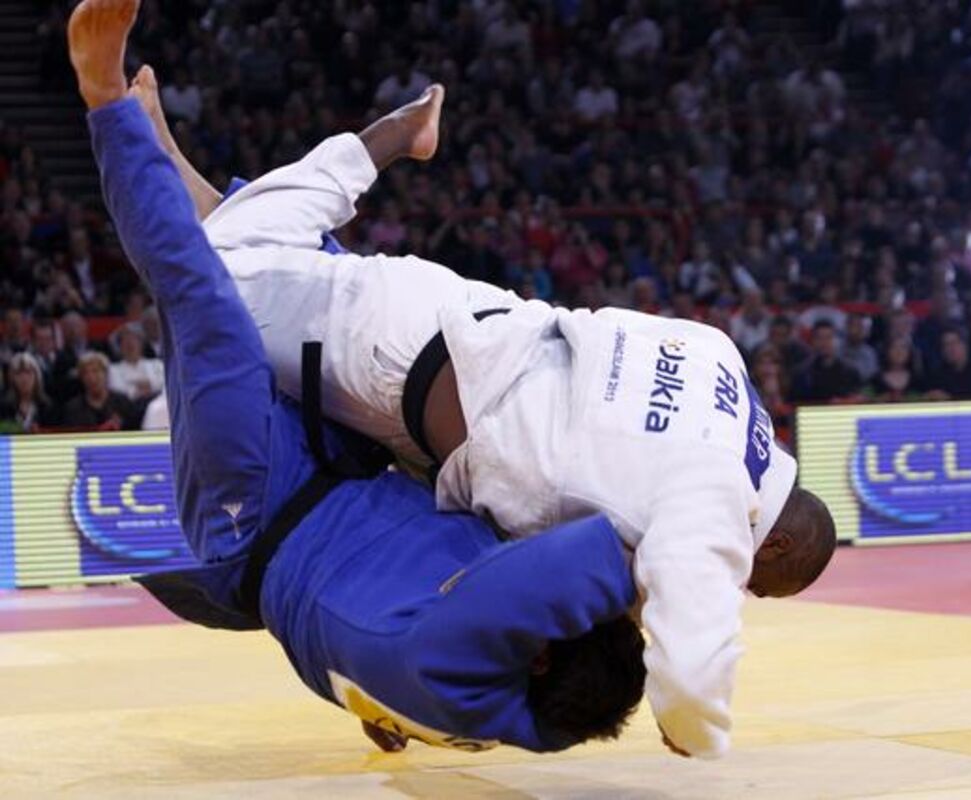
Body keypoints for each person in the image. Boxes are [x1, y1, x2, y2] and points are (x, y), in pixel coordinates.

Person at [132, 60, 837, 758]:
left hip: (454, 327)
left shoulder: (721, 360)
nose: (747, 589)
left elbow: (629, 569)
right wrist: (691, 728)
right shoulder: (717, 497)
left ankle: (171, 150)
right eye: (763, 586)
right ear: (775, 543)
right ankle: (380, 139)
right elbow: (696, 627)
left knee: (275, 254)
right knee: (213, 275)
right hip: (402, 368)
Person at [68, 0, 646, 756]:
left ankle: (104, 100)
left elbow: (604, 549)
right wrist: (387, 712)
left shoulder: (455, 653)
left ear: (538, 652)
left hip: (253, 503)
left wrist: (696, 573)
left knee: (205, 297)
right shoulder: (507, 714)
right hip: (335, 472)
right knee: (313, 284)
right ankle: (167, 151)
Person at [60, 351, 136, 429]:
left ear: (106, 374)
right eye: (85, 373)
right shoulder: (73, 409)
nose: (91, 378)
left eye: (95, 371)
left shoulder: (122, 402)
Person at [0, 352, 58, 432]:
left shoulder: (47, 406)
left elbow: (54, 431)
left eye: (28, 372)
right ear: (12, 378)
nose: (24, 378)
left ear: (36, 376)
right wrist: (18, 428)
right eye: (18, 373)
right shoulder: (3, 406)